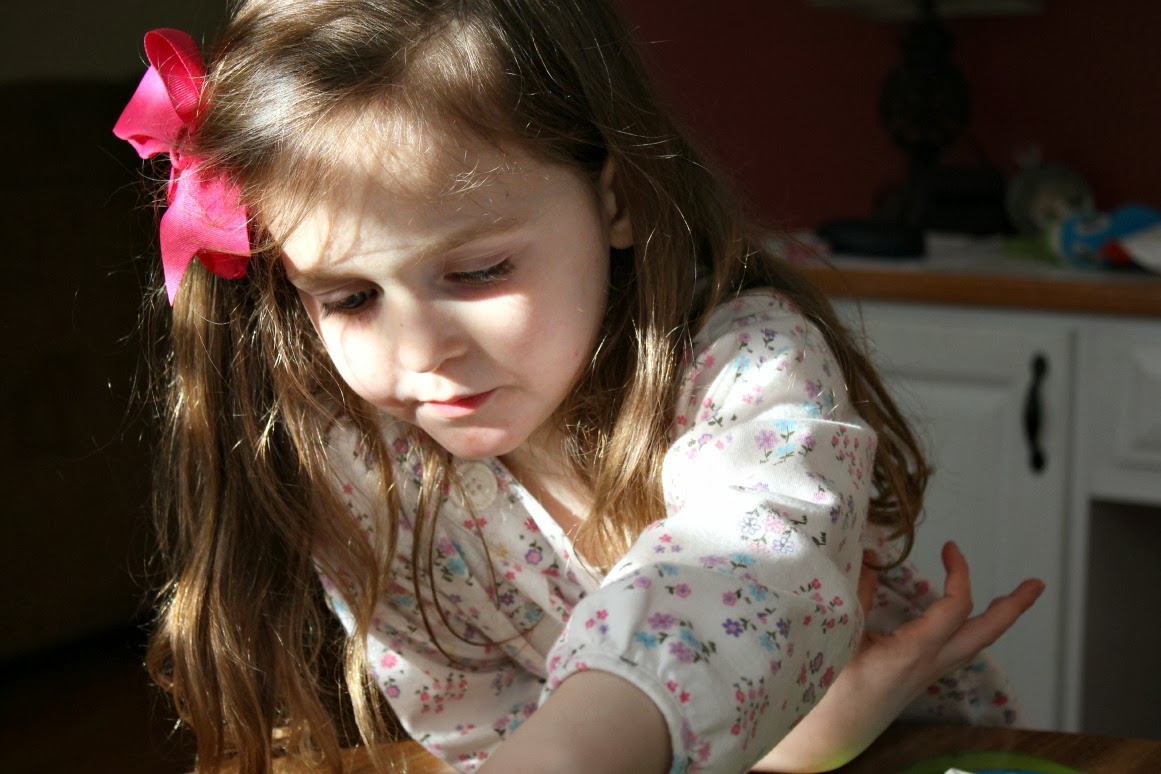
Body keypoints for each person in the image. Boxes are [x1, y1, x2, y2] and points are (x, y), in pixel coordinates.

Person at [114, 2, 1043, 772]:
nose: (420, 350)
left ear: (616, 198)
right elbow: (480, 732)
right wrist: (789, 757)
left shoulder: (745, 366)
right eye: (350, 297)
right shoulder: (367, 458)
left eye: (478, 272)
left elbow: (739, 571)